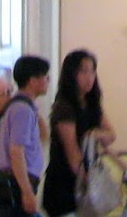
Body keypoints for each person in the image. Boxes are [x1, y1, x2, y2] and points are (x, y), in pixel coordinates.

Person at [42, 48, 117, 217]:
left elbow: (111, 135)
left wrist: (95, 134)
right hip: (64, 182)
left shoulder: (92, 104)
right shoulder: (64, 107)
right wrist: (88, 183)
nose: (89, 77)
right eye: (83, 71)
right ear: (71, 74)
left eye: (92, 71)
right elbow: (72, 152)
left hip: (88, 175)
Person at [0, 54, 51, 216]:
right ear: (33, 81)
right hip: (15, 184)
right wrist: (26, 191)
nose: (48, 81)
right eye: (46, 77)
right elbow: (16, 151)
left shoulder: (20, 106)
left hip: (12, 182)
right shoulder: (22, 110)